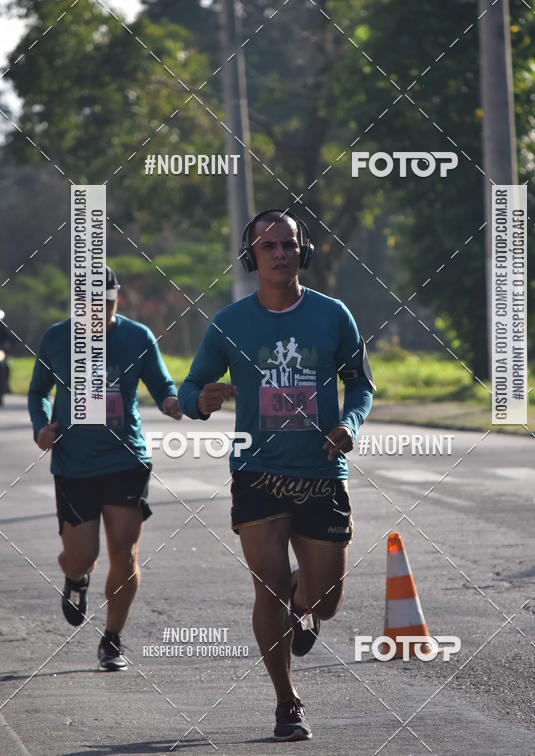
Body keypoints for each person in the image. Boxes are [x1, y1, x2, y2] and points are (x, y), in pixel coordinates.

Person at [178, 210, 374, 741]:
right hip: (257, 472)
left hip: (320, 472)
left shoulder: (334, 316)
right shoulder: (229, 323)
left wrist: (350, 422)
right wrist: (200, 398)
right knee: (265, 588)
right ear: (251, 257)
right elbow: (189, 389)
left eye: (289, 245)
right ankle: (288, 703)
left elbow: (360, 386)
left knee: (327, 598)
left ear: (302, 252)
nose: (280, 253)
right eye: (269, 246)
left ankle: (302, 598)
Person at [28, 266, 182, 670]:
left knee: (124, 550)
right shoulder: (57, 339)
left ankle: (112, 639)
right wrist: (40, 428)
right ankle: (75, 577)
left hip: (124, 459)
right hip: (73, 462)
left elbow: (163, 384)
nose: (96, 312)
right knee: (82, 555)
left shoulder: (136, 338)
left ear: (117, 300)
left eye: (106, 303)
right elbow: (38, 391)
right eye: (88, 303)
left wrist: (171, 403)